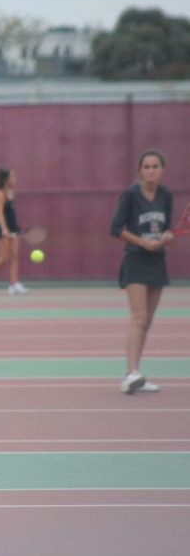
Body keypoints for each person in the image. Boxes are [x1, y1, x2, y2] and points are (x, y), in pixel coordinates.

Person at [110, 149, 173, 395]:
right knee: (139, 316)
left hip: (157, 260)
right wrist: (142, 243)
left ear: (162, 170)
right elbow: (115, 228)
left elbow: (165, 226)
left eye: (155, 166)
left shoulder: (166, 194)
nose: (151, 171)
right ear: (140, 170)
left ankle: (137, 373)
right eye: (146, 166)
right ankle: (129, 373)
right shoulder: (130, 195)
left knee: (146, 321)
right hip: (135, 259)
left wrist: (166, 237)